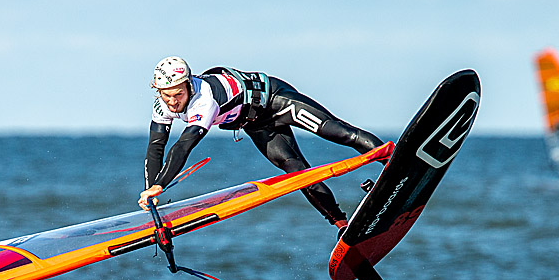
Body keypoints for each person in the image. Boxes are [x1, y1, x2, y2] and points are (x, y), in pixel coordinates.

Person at [139, 56, 384, 234]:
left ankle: (392, 161)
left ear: (189, 85)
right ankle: (342, 226)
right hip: (256, 124)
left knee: (338, 132)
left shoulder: (204, 100)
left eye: (178, 94)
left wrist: (161, 184)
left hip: (277, 100)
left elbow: (184, 145)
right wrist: (151, 191)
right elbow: (156, 147)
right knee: (298, 174)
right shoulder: (162, 104)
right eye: (166, 95)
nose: (172, 102)